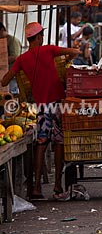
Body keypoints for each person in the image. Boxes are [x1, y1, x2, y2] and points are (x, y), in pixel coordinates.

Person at [1, 22, 80, 201]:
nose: (42, 38)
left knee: (41, 143)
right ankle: (58, 187)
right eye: (41, 35)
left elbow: (5, 81)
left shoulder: (22, 59)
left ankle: (36, 188)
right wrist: (66, 58)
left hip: (41, 107)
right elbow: (74, 52)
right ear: (38, 37)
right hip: (58, 105)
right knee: (59, 143)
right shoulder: (49, 50)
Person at [0, 22, 21, 94]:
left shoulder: (12, 40)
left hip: (12, 78)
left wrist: (2, 59)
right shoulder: (2, 41)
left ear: (2, 30)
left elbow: (15, 57)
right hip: (3, 76)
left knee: (11, 97)